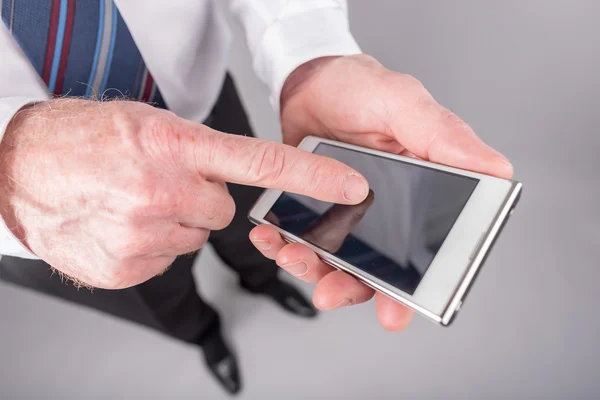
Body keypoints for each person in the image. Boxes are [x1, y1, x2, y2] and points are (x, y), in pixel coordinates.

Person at [0, 0, 514, 395]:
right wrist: (11, 175)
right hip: (46, 204)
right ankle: (204, 333)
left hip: (196, 101)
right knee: (156, 287)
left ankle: (263, 278)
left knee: (263, 218)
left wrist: (311, 56)